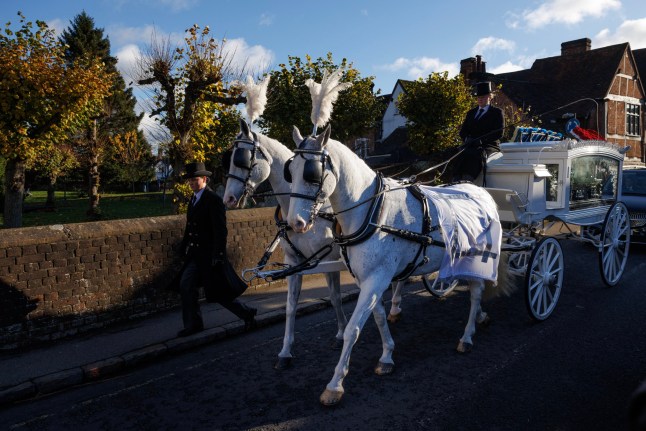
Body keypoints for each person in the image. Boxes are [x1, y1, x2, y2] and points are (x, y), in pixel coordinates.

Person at [175, 161, 256, 337]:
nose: (191, 184)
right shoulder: (193, 200)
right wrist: (183, 248)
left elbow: (220, 229)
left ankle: (246, 312)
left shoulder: (213, 200)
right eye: (189, 181)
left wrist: (218, 254)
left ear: (204, 179)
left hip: (210, 255)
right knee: (186, 285)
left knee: (218, 292)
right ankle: (193, 325)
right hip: (195, 255)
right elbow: (190, 227)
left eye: (194, 180)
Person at [454, 81, 505, 184]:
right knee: (458, 153)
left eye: (483, 97)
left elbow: (499, 133)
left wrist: (481, 140)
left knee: (475, 154)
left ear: (490, 97)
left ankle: (467, 180)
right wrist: (467, 139)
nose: (480, 99)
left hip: (488, 145)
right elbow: (463, 131)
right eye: (478, 97)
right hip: (471, 144)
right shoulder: (471, 113)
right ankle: (455, 179)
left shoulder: (497, 113)